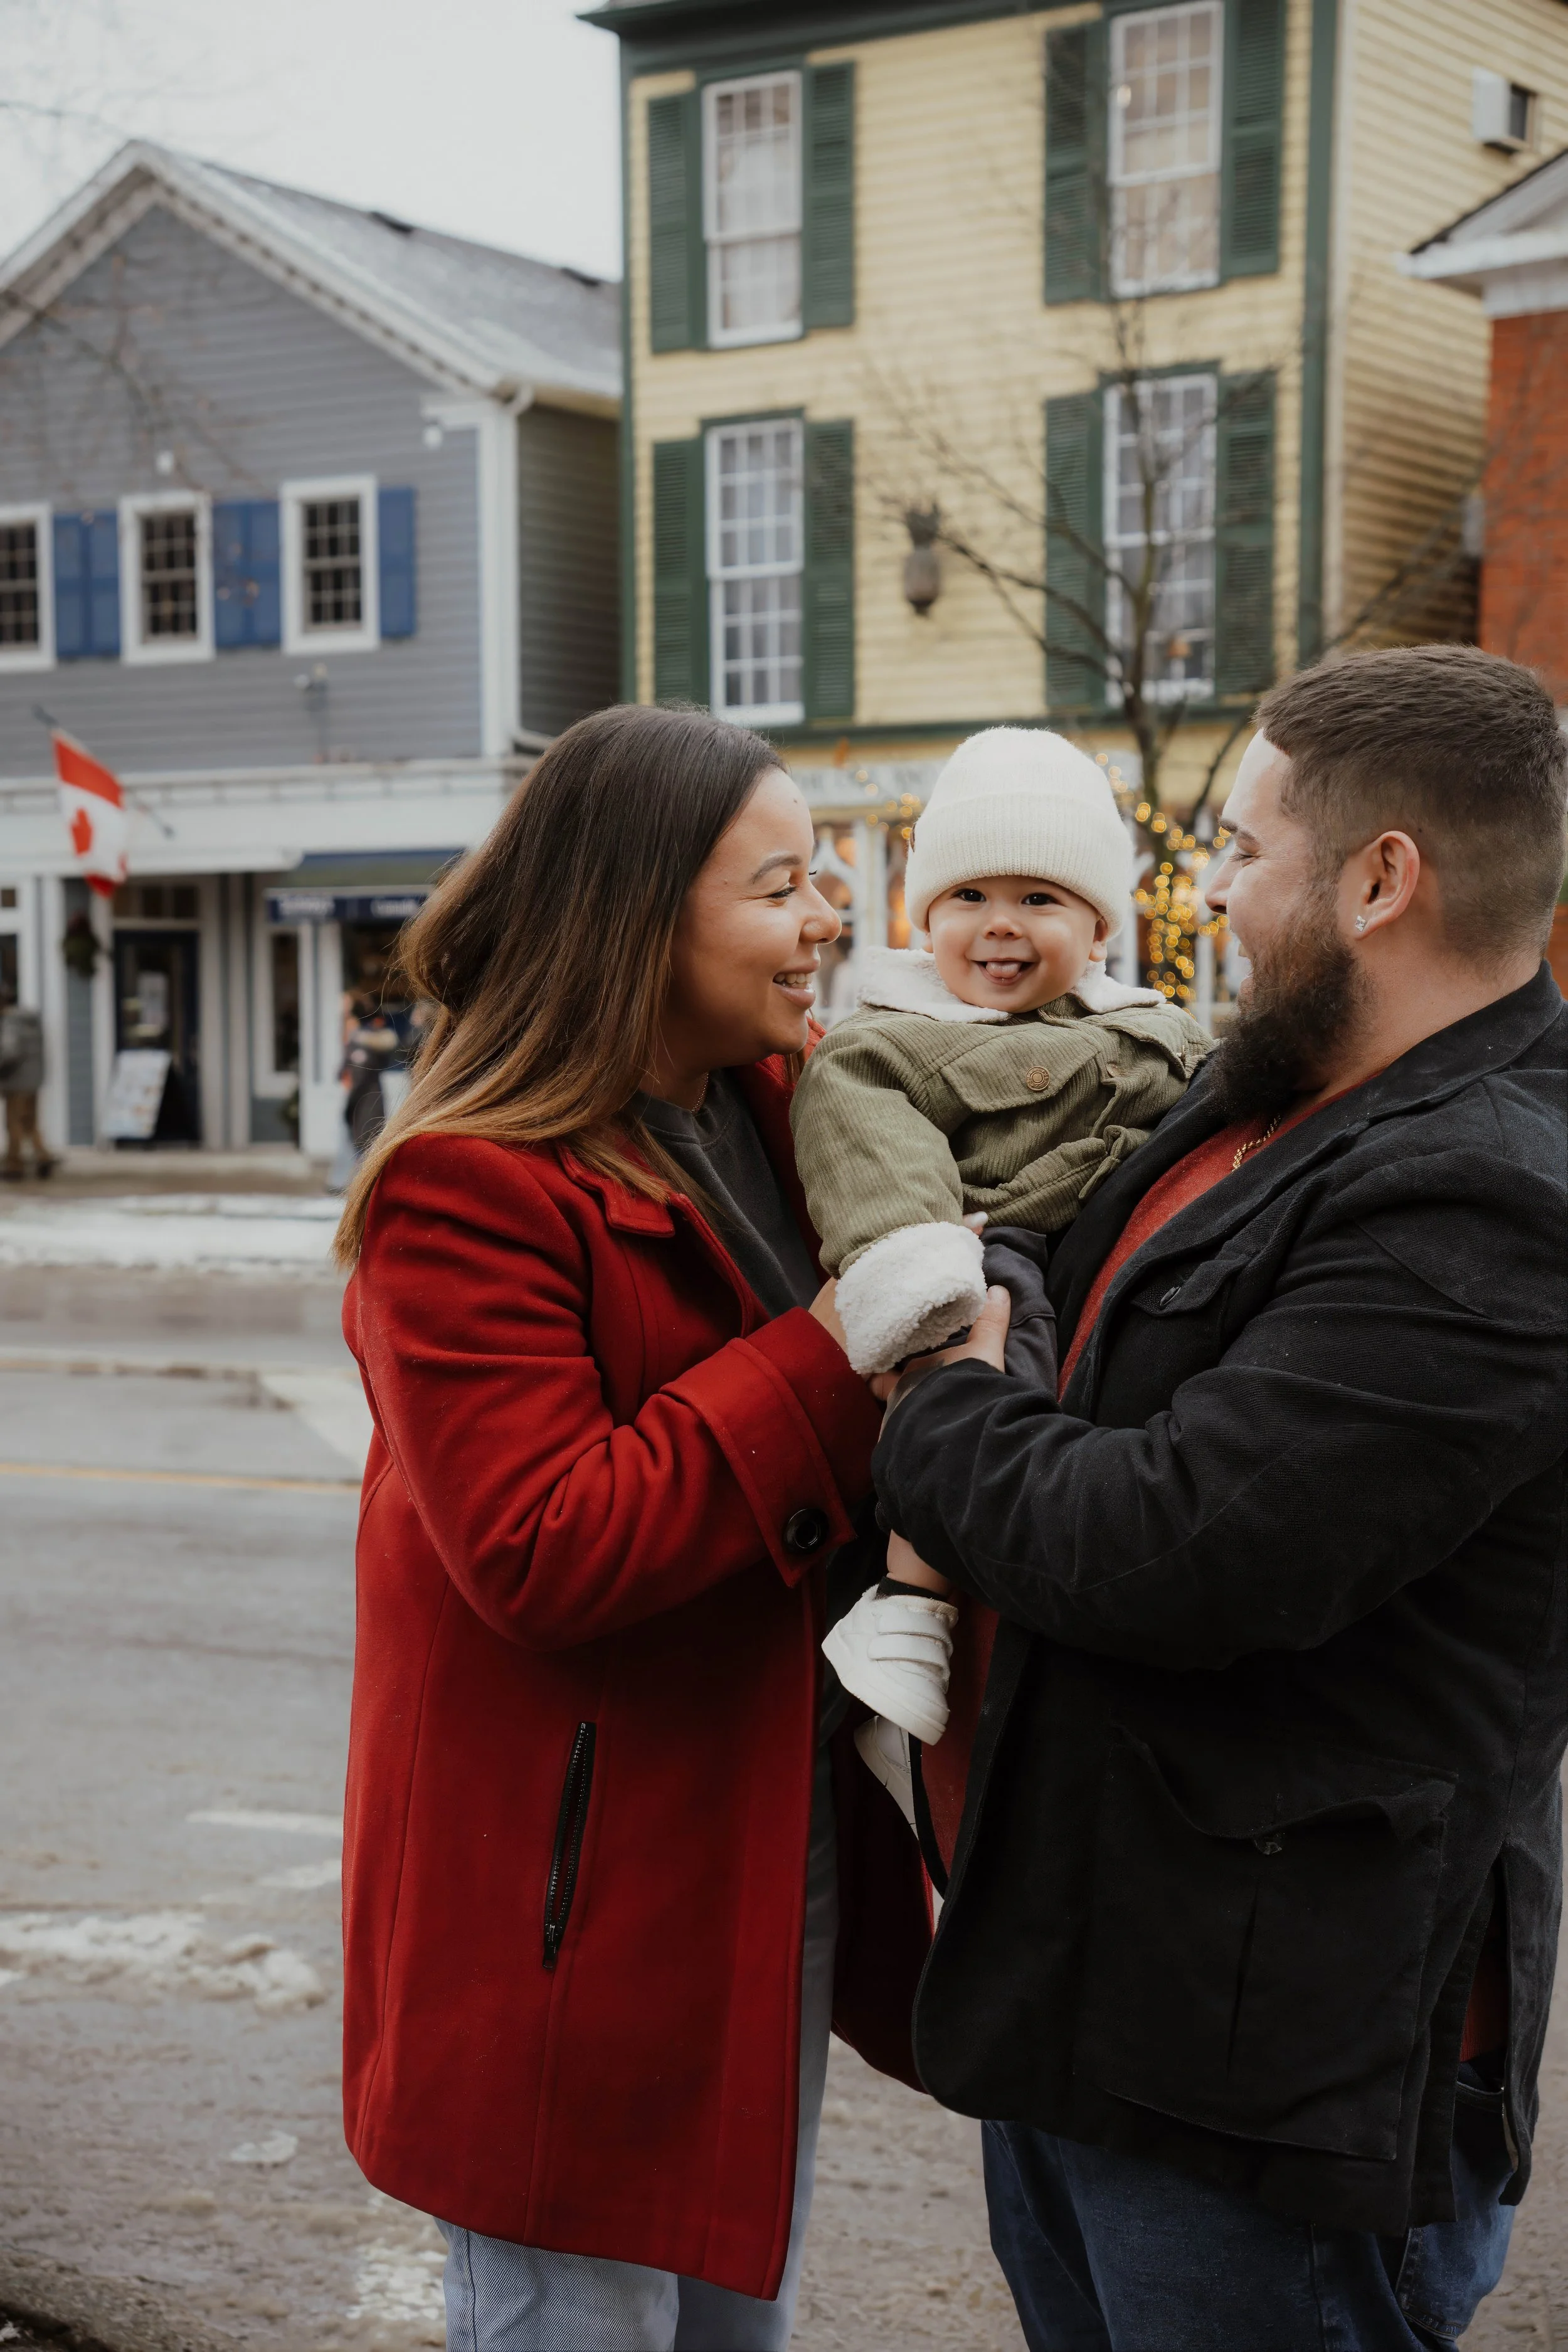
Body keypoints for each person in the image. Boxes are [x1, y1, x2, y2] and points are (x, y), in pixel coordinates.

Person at [870, 645, 1568, 2352]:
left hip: (1258, 2085)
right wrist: (998, 1326)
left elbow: (1163, 1545)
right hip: (1081, 1992)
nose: (1209, 892)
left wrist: (934, 1397)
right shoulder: (1267, 1083)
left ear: (1376, 877)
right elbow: (1031, 1243)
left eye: (1238, 850)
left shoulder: (1484, 1191)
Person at [332, 704, 929, 2352]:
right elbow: (542, 1541)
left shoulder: (791, 1114)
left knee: (742, 2325)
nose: (829, 918)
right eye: (783, 884)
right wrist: (831, 1343)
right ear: (639, 908)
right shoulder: (463, 1188)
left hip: (761, 1850)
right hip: (564, 1916)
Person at [791, 729, 1207, 1775]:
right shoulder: (891, 1035)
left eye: (1040, 899)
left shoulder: (1156, 1029)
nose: (1001, 927)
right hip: (987, 1251)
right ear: (923, 915)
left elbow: (1227, 1099)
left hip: (1114, 1263)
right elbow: (866, 1140)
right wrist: (917, 1252)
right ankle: (911, 1602)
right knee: (984, 1376)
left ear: (1100, 924)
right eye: (969, 897)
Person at [0, 990, 58, 1181]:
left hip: (16, 1082)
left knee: (13, 1123)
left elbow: (10, 1052)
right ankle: (42, 1156)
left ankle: (14, 1164)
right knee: (30, 1123)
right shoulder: (31, 1021)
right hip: (33, 1081)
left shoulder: (11, 1023)